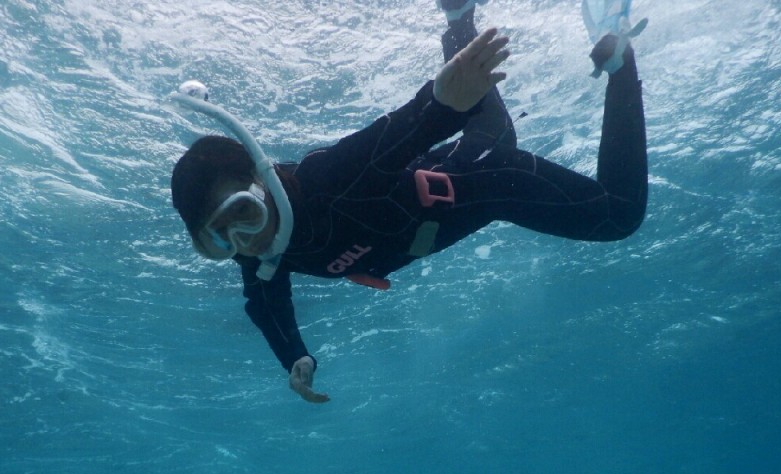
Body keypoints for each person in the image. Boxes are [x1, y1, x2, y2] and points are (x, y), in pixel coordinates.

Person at [171, 0, 648, 404]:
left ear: (261, 179)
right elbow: (265, 305)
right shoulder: (260, 257)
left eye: (244, 213)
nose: (246, 240)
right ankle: (459, 14)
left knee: (618, 214)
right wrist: (296, 356)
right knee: (495, 130)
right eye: (219, 238)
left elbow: (394, 135)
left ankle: (620, 65)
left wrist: (442, 102)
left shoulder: (323, 179)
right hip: (463, 161)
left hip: (491, 182)